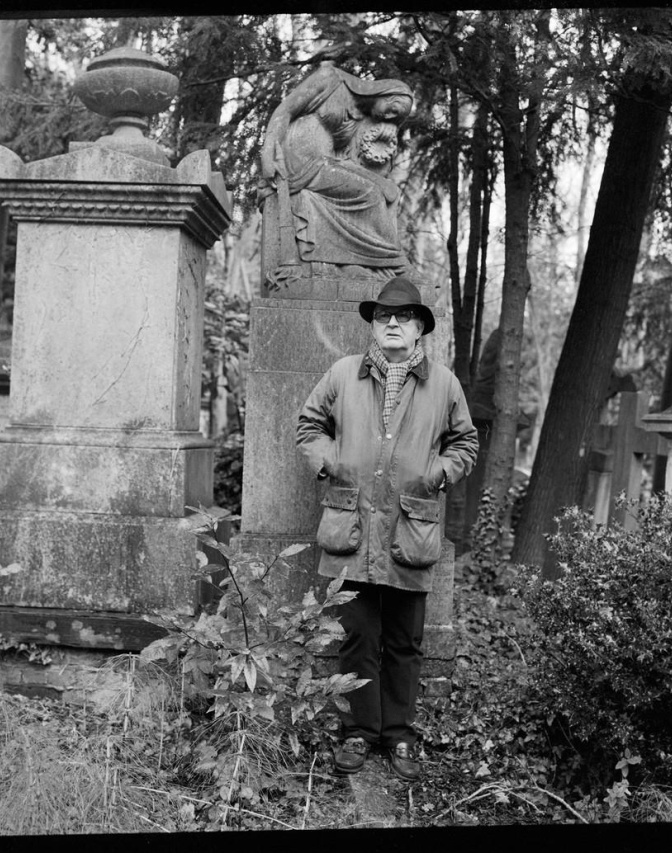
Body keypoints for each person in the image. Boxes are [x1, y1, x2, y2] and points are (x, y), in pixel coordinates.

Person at [296, 276, 479, 781]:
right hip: (350, 526)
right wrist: (332, 463)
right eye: (382, 317)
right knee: (356, 637)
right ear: (374, 327)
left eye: (402, 317)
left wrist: (437, 473)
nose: (392, 324)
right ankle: (359, 732)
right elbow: (308, 425)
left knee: (404, 641)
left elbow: (465, 442)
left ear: (420, 327)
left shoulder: (443, 384)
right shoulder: (342, 374)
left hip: (410, 529)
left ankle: (398, 734)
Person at [259, 62, 414, 275]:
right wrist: (268, 153)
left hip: (326, 163)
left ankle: (362, 262)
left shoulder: (362, 116)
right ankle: (391, 263)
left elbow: (367, 159)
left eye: (396, 118)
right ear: (385, 94)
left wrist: (386, 132)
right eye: (392, 111)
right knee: (370, 193)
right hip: (300, 158)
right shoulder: (329, 78)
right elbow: (285, 110)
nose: (389, 117)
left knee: (388, 191)